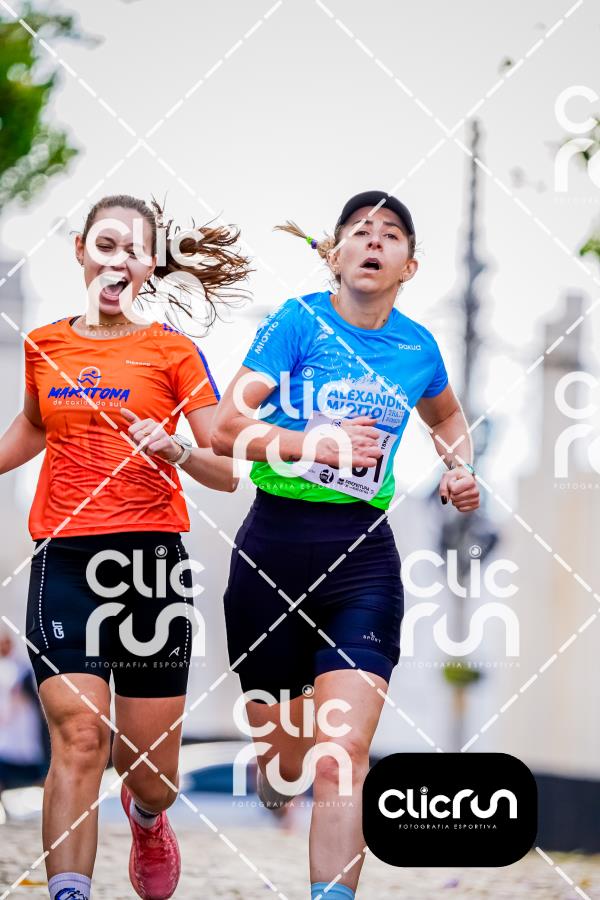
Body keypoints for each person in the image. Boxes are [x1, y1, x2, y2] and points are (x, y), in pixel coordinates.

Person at [211, 191, 480, 899]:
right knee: (286, 764)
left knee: (341, 756)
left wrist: (459, 468)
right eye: (359, 230)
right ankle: (275, 769)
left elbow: (447, 417)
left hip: (360, 558)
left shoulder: (419, 348)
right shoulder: (297, 322)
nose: (374, 240)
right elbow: (223, 427)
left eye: (390, 234)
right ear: (335, 255)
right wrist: (313, 442)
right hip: (272, 549)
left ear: (409, 265)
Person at [0, 194, 250, 900]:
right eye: (105, 245)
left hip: (150, 569)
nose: (117, 260)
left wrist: (177, 449)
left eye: (133, 250)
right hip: (65, 560)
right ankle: (70, 890)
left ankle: (147, 817)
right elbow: (34, 426)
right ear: (81, 250)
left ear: (149, 265)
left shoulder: (173, 351)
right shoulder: (44, 345)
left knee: (149, 772)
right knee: (80, 735)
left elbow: (227, 471)